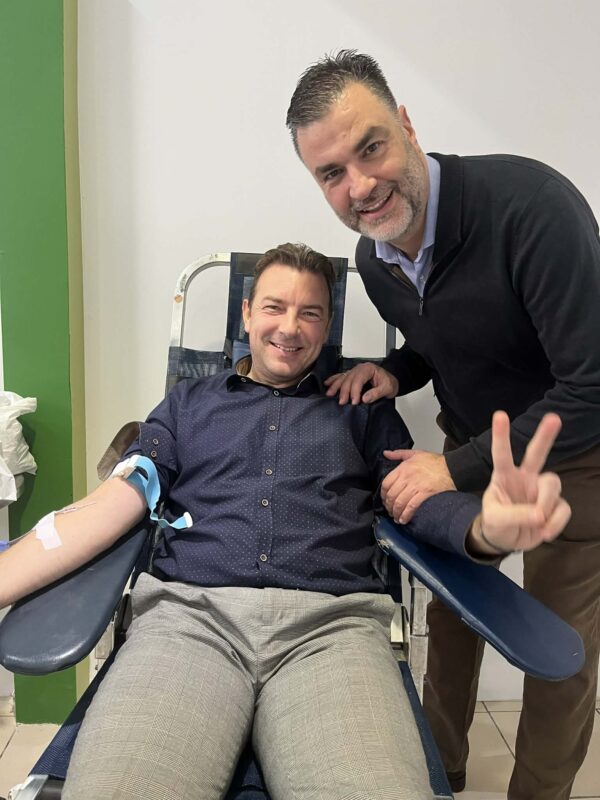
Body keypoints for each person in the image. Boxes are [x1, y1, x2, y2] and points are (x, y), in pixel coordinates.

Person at [0, 244, 569, 800]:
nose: (290, 328)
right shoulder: (187, 404)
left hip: (333, 632)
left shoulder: (362, 411)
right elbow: (112, 503)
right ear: (247, 313)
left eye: (310, 313)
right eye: (274, 307)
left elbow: (415, 499)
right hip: (188, 623)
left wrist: (486, 527)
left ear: (327, 327)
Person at [286, 51, 600, 800]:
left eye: (370, 148)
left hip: (575, 453)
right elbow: (441, 334)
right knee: (455, 612)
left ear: (407, 125)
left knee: (556, 648)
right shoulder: (374, 259)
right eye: (331, 174)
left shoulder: (532, 209)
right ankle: (439, 771)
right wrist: (397, 370)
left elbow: (593, 384)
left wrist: (451, 470)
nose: (360, 186)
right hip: (471, 444)